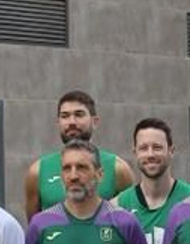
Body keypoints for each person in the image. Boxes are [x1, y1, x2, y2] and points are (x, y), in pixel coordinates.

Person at [24, 91, 134, 219]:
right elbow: (34, 225)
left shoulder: (118, 168)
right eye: (65, 116)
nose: (72, 122)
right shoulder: (38, 171)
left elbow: (130, 220)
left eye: (79, 114)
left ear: (94, 122)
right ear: (58, 123)